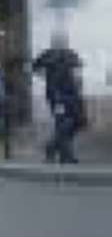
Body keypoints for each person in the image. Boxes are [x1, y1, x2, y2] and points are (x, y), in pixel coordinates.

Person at [33, 33, 85, 164]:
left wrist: (79, 89)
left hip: (72, 94)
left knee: (79, 122)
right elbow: (35, 68)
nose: (61, 42)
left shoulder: (71, 54)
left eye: (63, 40)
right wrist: (45, 76)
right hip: (56, 96)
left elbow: (78, 73)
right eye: (59, 40)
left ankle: (52, 147)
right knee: (62, 123)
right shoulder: (47, 54)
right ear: (53, 42)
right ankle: (66, 155)